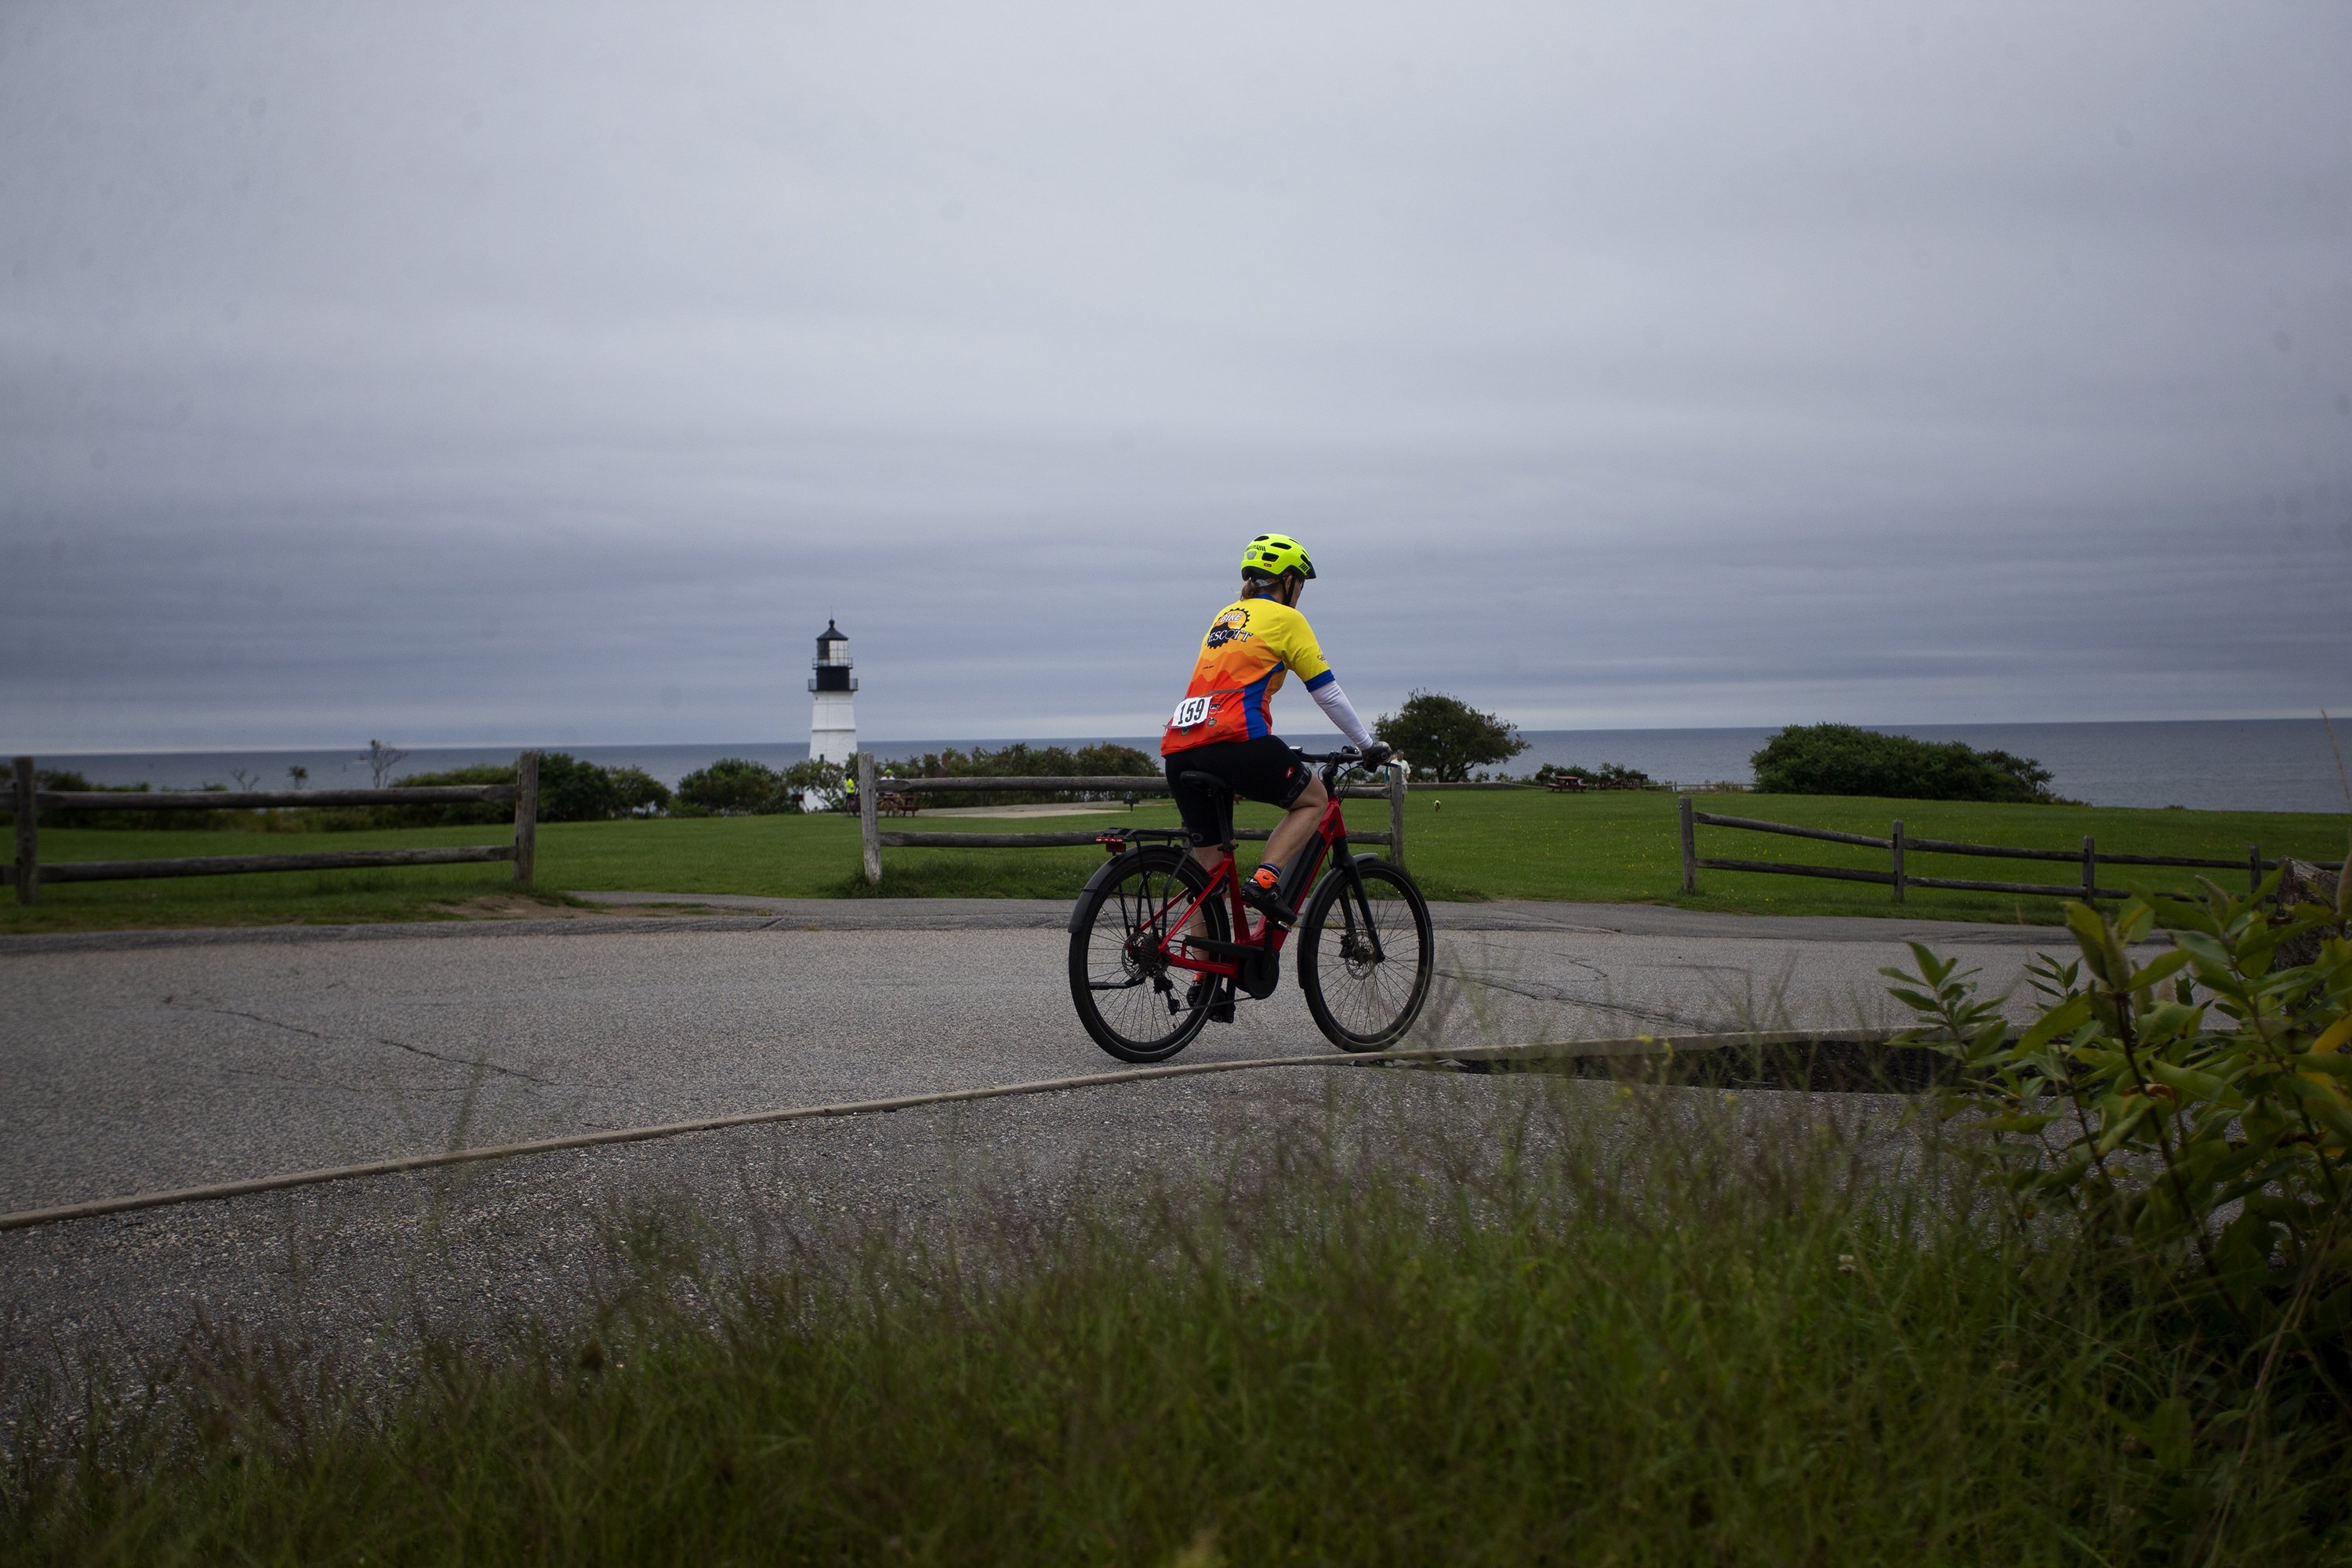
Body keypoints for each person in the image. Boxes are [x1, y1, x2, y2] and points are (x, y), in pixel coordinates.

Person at [1160, 533, 1391, 938]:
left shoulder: (1226, 617)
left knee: (1207, 883)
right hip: (1235, 742)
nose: (1300, 593)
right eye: (1299, 583)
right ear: (1287, 581)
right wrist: (1368, 745)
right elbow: (1326, 692)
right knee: (1314, 800)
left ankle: (1205, 986)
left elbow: (1230, 692)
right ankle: (1266, 879)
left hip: (1181, 748)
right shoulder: (1287, 619)